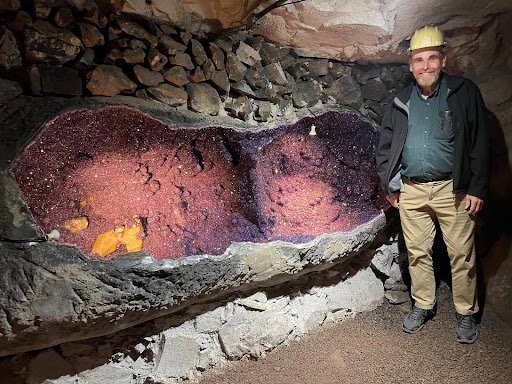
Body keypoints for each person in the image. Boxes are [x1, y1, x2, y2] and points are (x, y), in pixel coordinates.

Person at [375, 25, 490, 343]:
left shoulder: (463, 93)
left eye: (431, 58)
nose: (425, 65)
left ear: (443, 59)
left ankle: (466, 313)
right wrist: (391, 185)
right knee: (417, 252)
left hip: (452, 189)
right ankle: (423, 305)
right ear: (411, 65)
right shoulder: (401, 100)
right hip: (411, 189)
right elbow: (386, 144)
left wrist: (478, 187)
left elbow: (481, 140)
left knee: (462, 253)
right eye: (419, 59)